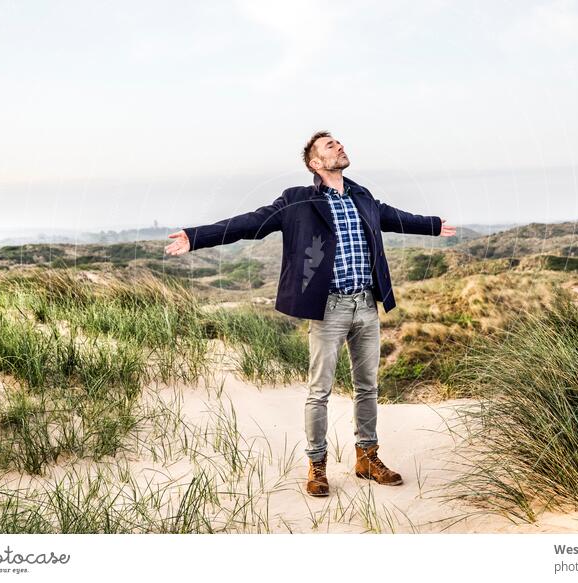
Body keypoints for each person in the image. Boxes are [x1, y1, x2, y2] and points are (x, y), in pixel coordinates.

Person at [165, 131, 457, 497]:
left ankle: (367, 457)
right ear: (315, 163)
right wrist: (196, 236)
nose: (340, 146)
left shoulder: (361, 195)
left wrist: (431, 225)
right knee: (320, 391)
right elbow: (248, 223)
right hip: (328, 308)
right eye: (330, 145)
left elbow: (392, 217)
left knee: (368, 387)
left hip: (366, 304)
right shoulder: (297, 201)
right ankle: (316, 466)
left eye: (339, 142)